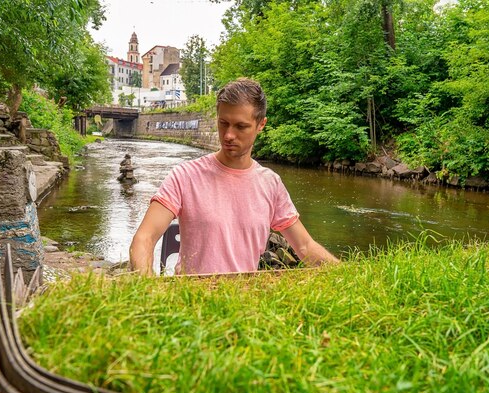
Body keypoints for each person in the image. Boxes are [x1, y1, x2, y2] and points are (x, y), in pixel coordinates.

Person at [129, 78, 339, 275]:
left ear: (261, 125)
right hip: (192, 302)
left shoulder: (270, 184)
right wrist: (148, 288)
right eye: (223, 123)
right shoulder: (185, 176)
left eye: (241, 126)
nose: (229, 135)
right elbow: (144, 239)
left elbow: (304, 246)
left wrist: (348, 274)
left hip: (243, 302)